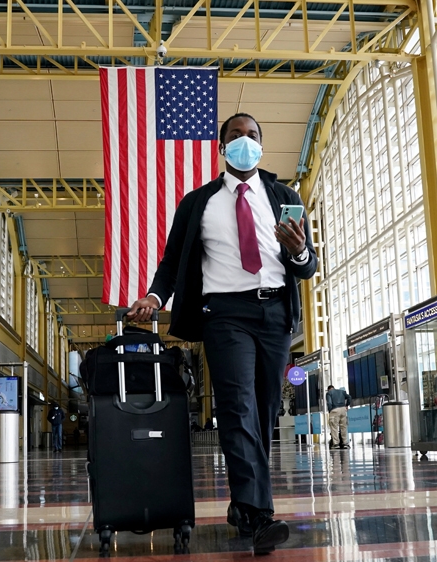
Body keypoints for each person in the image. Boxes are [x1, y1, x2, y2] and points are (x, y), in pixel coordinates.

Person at [127, 113, 318, 554]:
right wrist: (155, 298)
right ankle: (258, 515)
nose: (244, 142)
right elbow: (172, 262)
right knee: (237, 407)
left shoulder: (284, 197)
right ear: (221, 147)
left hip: (274, 314)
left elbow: (307, 268)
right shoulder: (199, 203)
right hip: (224, 313)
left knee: (265, 412)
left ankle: (243, 506)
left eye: (252, 136)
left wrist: (301, 249)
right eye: (236, 136)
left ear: (262, 146)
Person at [326, 385, 350, 449]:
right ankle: (345, 443)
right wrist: (347, 405)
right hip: (343, 409)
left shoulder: (329, 393)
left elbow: (329, 403)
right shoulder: (341, 392)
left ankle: (336, 444)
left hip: (334, 410)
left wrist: (330, 410)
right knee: (343, 427)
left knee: (334, 428)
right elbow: (349, 397)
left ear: (329, 389)